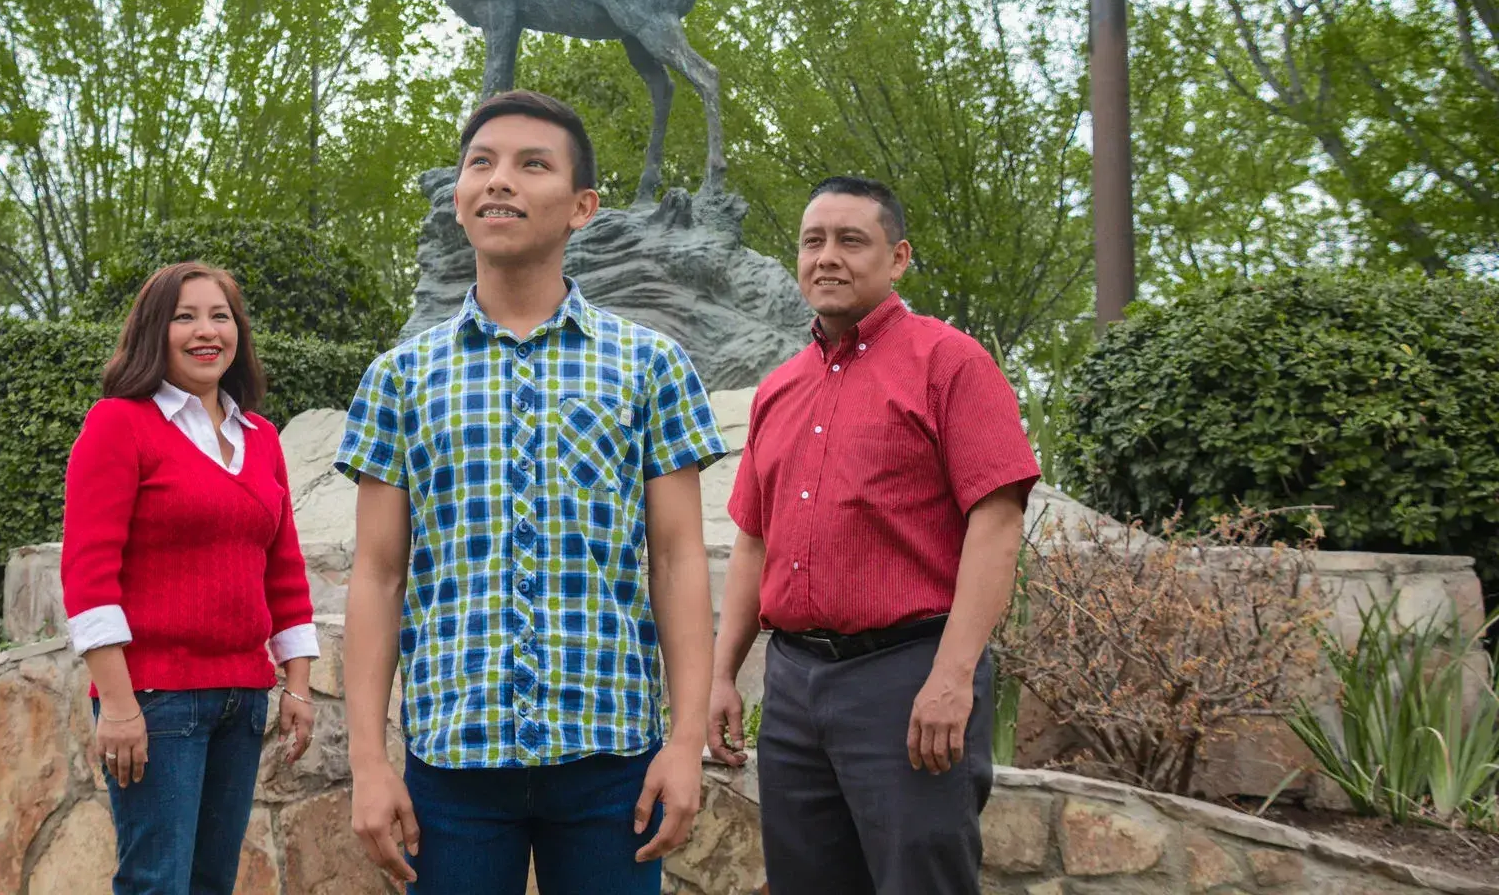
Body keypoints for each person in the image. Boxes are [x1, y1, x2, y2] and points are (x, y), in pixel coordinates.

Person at [335, 90, 728, 894]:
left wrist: (684, 741)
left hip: (611, 761)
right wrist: (369, 760)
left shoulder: (649, 366)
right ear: (458, 197)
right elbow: (376, 576)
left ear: (582, 206)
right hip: (453, 767)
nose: (498, 181)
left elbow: (679, 560)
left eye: (531, 164)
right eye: (481, 163)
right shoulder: (399, 379)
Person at [707, 177, 1038, 895]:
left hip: (907, 679)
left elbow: (998, 523)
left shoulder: (950, 363)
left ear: (897, 258)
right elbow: (753, 541)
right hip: (794, 686)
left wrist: (952, 679)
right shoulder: (778, 390)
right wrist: (721, 673)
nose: (827, 257)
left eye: (851, 240)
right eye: (812, 241)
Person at [61, 262, 319, 895]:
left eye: (219, 316)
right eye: (185, 317)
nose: (206, 332)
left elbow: (283, 567)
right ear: (156, 331)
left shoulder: (260, 437)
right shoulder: (119, 423)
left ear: (238, 333)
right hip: (156, 701)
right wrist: (118, 707)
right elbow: (88, 574)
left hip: (241, 697)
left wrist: (299, 687)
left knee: (210, 884)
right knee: (157, 884)